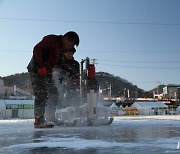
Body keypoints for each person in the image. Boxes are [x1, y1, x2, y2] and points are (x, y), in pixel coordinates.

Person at [27, 31, 80, 128]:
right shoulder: (52, 40)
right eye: (71, 44)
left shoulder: (60, 49)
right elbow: (37, 49)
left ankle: (51, 117)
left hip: (47, 72)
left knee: (54, 93)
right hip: (36, 70)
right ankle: (39, 121)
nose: (70, 47)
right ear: (66, 39)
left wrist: (69, 71)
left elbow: (59, 62)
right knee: (41, 94)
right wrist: (41, 66)